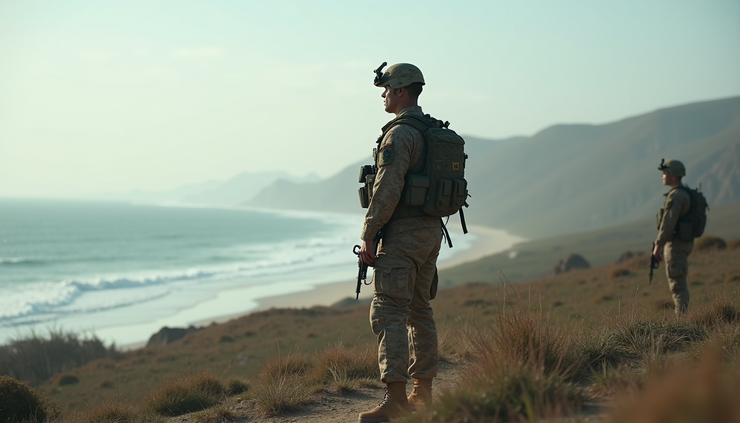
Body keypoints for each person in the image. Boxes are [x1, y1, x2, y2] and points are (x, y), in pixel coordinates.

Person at [358, 62, 441, 423]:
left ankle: (395, 400)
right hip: (430, 233)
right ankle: (423, 393)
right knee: (420, 310)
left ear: (403, 89)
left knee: (388, 311)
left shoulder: (399, 135)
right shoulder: (431, 130)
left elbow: (387, 188)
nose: (384, 94)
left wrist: (369, 233)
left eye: (388, 88)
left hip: (403, 236)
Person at [653, 159, 693, 315]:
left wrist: (659, 244)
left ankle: (682, 325)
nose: (663, 176)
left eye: (665, 173)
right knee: (679, 283)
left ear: (674, 176)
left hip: (676, 245)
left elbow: (668, 222)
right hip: (684, 243)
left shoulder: (676, 196)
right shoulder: (684, 193)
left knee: (678, 286)